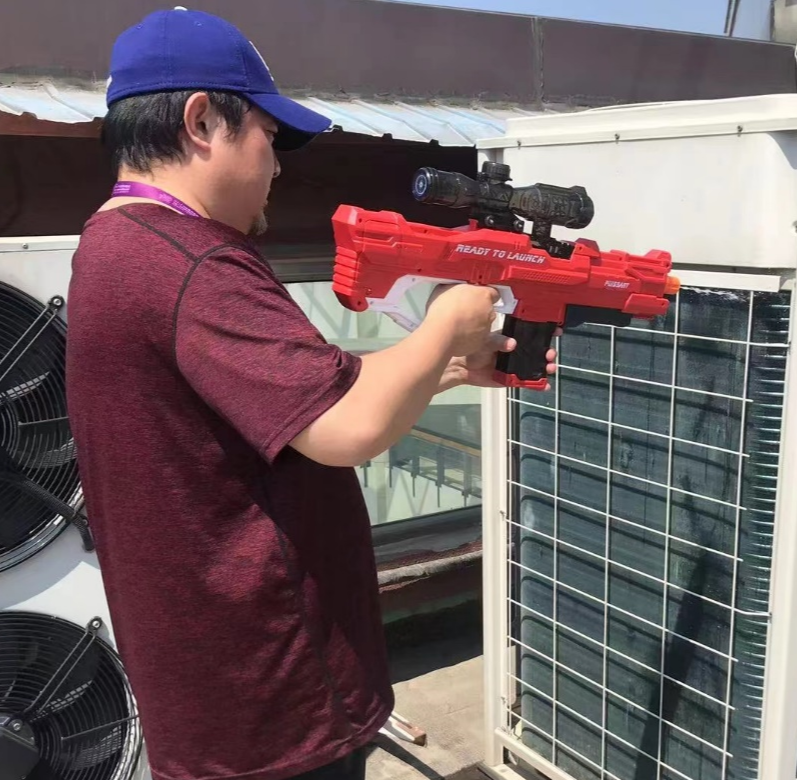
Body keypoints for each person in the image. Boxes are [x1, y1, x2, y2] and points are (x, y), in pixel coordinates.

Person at [64, 8, 556, 780]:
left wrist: (443, 370)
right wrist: (449, 320)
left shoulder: (115, 244)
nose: (277, 167)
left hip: (210, 684)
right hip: (271, 697)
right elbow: (344, 425)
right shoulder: (192, 262)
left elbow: (282, 403)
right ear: (202, 121)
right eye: (268, 136)